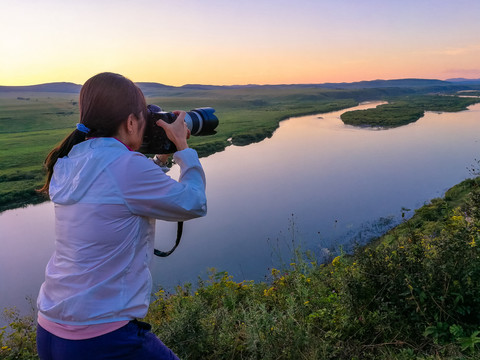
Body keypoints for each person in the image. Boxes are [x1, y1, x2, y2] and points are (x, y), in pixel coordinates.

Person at [36, 72, 207, 359]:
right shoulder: (126, 168)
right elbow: (194, 202)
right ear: (130, 122)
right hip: (102, 336)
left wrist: (159, 160)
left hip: (51, 331)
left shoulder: (69, 161)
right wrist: (182, 147)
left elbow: (117, 194)